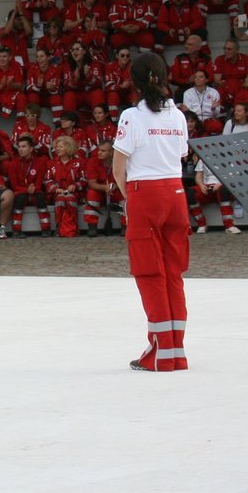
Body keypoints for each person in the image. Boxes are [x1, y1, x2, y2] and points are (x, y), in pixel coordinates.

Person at [112, 51, 191, 372]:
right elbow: (182, 155)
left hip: (145, 193)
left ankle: (160, 352)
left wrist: (130, 200)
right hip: (176, 193)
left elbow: (119, 169)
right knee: (173, 273)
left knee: (149, 273)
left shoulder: (132, 115)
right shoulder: (179, 116)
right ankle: (176, 350)